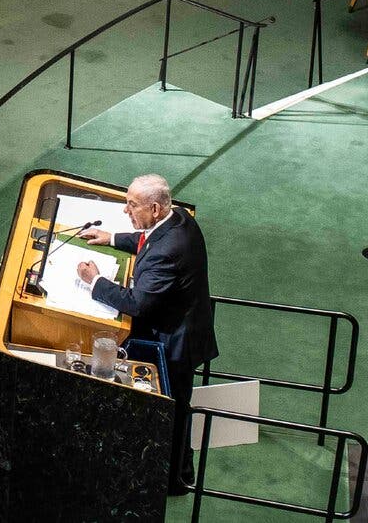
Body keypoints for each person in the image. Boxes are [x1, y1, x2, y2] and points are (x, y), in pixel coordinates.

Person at [74, 174, 218, 496]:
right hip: (182, 329)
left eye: (132, 205)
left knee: (174, 409)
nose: (126, 210)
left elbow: (137, 303)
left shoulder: (170, 250)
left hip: (174, 346)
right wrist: (111, 238)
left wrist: (94, 281)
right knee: (175, 406)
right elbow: (147, 239)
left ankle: (177, 480)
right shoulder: (177, 217)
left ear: (154, 207)